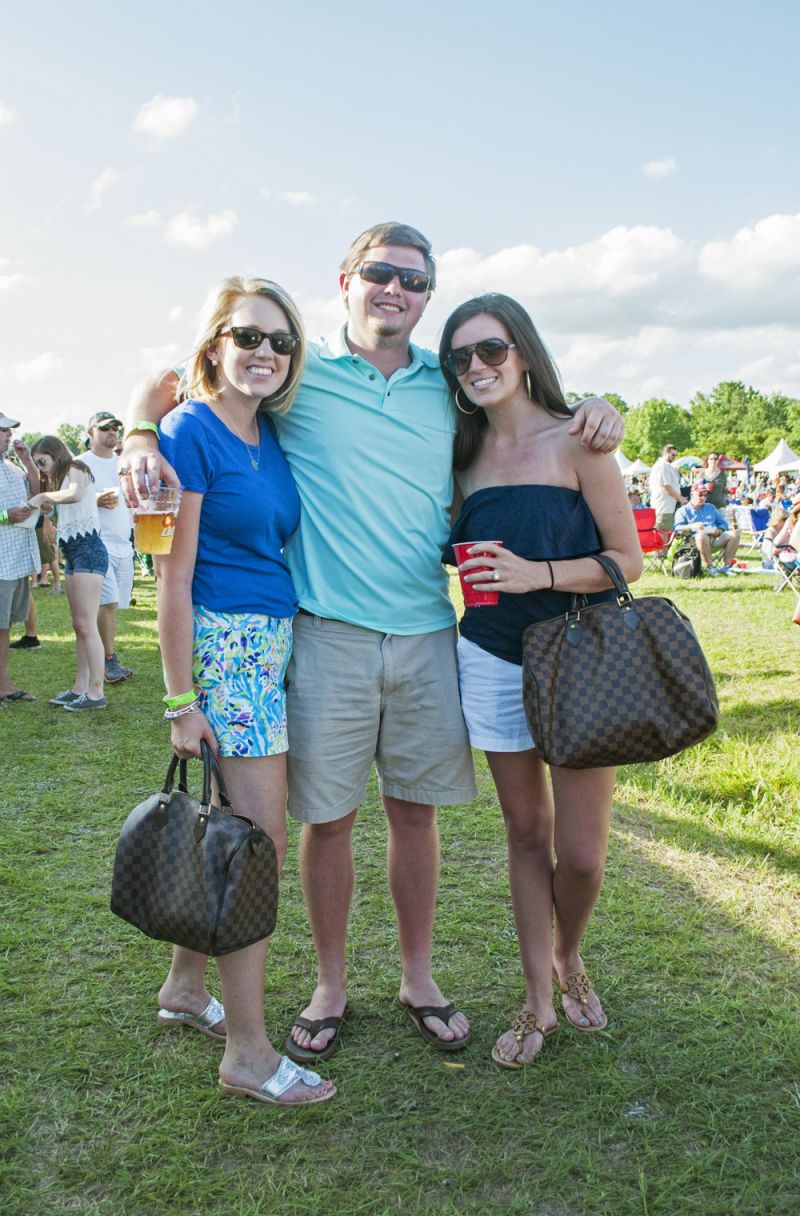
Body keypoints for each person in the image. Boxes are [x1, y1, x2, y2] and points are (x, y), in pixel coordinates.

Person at [120, 222, 625, 1062]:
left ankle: (418, 976)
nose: (396, 290)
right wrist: (139, 430)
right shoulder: (298, 371)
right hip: (326, 634)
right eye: (381, 274)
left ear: (427, 295)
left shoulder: (451, 384)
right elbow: (176, 384)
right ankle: (329, 982)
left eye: (414, 280)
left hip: (430, 630)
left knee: (414, 815)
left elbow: (526, 410)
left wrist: (597, 406)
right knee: (327, 820)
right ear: (347, 280)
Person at [439, 294, 642, 1068]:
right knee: (526, 834)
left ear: (523, 352)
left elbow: (628, 558)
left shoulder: (580, 440)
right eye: (460, 359)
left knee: (583, 853)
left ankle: (569, 957)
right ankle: (533, 1001)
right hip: (490, 659)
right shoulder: (460, 459)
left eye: (490, 350)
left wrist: (540, 574)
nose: (477, 368)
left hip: (582, 658)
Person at [152, 275, 334, 1107]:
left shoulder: (266, 430)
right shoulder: (191, 429)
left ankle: (188, 989)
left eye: (281, 341)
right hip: (227, 648)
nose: (266, 352)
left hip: (272, 642)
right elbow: (173, 576)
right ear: (215, 345)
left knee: (230, 835)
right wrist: (179, 700)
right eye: (249, 336)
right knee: (254, 846)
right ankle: (251, 1055)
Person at [29, 437, 110, 709]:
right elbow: (70, 503)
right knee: (80, 626)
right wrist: (49, 507)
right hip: (74, 551)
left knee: (86, 625)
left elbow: (75, 494)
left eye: (43, 461)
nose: (41, 468)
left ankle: (96, 693)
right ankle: (80, 688)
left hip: (88, 549)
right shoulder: (60, 478)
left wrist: (44, 496)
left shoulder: (77, 467)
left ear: (55, 454)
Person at [82, 411, 135, 684]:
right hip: (96, 542)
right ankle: (108, 661)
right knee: (109, 601)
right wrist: (94, 499)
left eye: (115, 428)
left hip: (124, 543)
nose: (112, 432)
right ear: (90, 432)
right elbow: (65, 500)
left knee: (116, 604)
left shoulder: (124, 462)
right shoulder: (80, 464)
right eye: (105, 428)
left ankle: (103, 657)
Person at [0, 413, 41, 702]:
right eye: (3, 431)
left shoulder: (13, 468)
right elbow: (10, 513)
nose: (9, 436)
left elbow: (36, 497)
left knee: (6, 626)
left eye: (9, 431)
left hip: (16, 559)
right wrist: (5, 516)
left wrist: (27, 462)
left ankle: (4, 684)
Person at [673, 482, 740, 576]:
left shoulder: (711, 507)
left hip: (714, 536)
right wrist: (692, 526)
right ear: (692, 494)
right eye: (700, 495)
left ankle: (726, 567)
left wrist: (719, 530)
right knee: (701, 536)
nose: (703, 498)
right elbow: (677, 528)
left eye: (705, 495)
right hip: (694, 541)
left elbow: (723, 523)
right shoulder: (683, 510)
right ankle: (710, 567)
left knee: (734, 534)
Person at [647, 444, 685, 533]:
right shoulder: (662, 466)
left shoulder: (666, 466)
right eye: (673, 455)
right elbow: (666, 487)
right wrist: (680, 498)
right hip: (663, 507)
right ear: (666, 453)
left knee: (665, 534)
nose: (674, 457)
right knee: (663, 535)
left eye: (675, 455)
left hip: (666, 507)